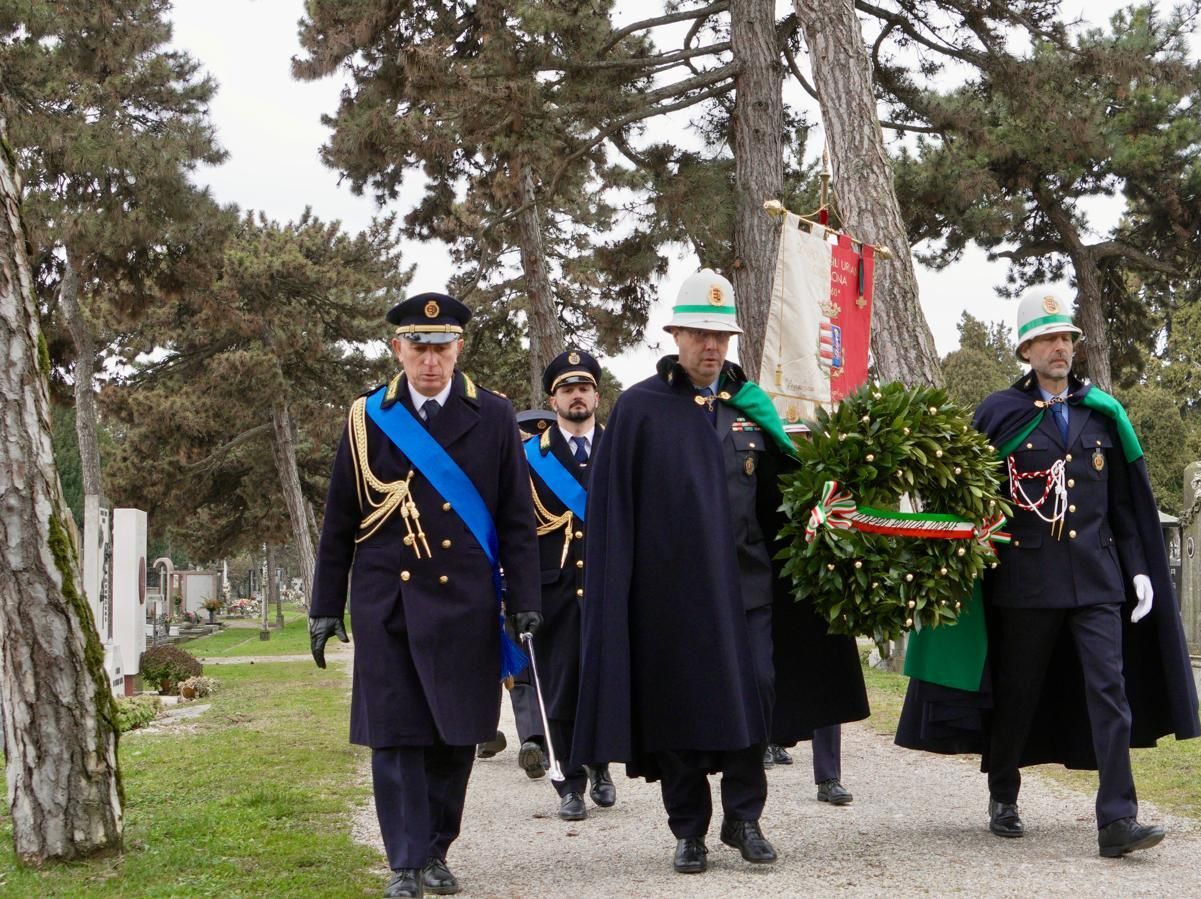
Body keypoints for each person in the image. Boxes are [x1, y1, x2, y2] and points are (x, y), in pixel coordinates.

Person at [571, 270, 868, 874]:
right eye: (700, 334)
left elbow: (788, 497)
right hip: (671, 599)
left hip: (748, 589)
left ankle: (744, 818)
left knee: (755, 695)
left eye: (721, 336)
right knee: (679, 712)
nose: (711, 346)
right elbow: (613, 513)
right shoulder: (640, 410)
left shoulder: (751, 408)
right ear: (676, 335)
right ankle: (689, 830)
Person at [895, 285, 1201, 859]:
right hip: (1025, 581)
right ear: (1026, 351)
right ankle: (1003, 791)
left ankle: (1117, 819)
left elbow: (1123, 505)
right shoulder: (999, 413)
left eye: (1065, 338)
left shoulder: (1101, 413)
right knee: (1018, 692)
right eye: (1047, 340)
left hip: (1097, 580)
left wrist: (1139, 570)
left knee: (1110, 692)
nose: (1060, 348)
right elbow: (966, 494)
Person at [309, 292, 543, 899]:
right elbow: (340, 519)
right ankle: (406, 862)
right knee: (396, 734)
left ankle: (437, 849)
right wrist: (324, 605)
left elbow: (516, 518)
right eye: (419, 347)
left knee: (455, 734)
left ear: (459, 348)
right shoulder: (367, 417)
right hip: (389, 600)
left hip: (464, 600)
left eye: (442, 347)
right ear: (398, 349)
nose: (431, 361)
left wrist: (525, 597)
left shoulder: (493, 414)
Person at [503, 349, 617, 821]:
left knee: (604, 683)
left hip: (608, 588)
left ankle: (601, 766)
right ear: (553, 400)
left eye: (584, 387)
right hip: (554, 592)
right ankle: (568, 783)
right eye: (567, 389)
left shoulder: (618, 448)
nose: (577, 396)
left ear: (596, 396)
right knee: (560, 688)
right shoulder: (529, 457)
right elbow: (515, 527)